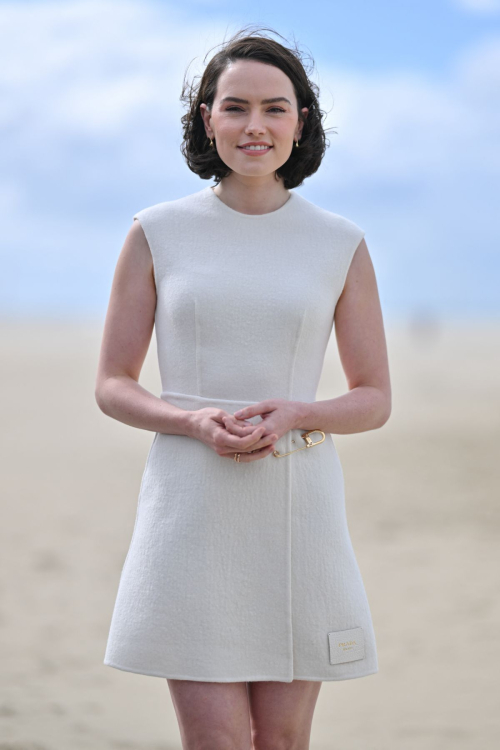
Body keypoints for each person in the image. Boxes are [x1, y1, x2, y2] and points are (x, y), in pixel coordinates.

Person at [95, 25, 391, 750]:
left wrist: (301, 411)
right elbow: (111, 382)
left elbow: (374, 396)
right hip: (190, 506)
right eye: (234, 107)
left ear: (302, 121)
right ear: (207, 119)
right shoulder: (156, 231)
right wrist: (193, 424)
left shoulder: (339, 242)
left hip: (300, 504)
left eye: (274, 108)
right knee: (217, 744)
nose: (254, 126)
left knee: (284, 743)